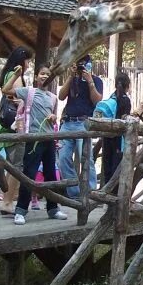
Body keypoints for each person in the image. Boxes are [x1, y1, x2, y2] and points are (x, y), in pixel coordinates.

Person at [2, 63, 68, 225]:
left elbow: (54, 117)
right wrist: (16, 75)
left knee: (51, 174)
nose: (45, 76)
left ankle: (53, 209)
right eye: (42, 74)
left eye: (48, 74)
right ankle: (21, 211)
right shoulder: (29, 92)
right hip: (33, 140)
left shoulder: (52, 97)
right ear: (36, 77)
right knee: (29, 174)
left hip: (49, 140)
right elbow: (6, 90)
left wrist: (53, 117)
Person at [57, 54, 103, 199]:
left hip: (84, 124)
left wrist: (90, 82)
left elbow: (97, 101)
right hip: (68, 122)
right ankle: (74, 193)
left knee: (86, 158)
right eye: (79, 65)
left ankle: (90, 193)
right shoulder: (72, 80)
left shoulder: (96, 80)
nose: (81, 68)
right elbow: (61, 96)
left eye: (84, 64)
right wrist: (70, 77)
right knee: (63, 157)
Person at [0, 47, 32, 214]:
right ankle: (8, 202)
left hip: (4, 125)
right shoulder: (15, 76)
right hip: (14, 126)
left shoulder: (8, 74)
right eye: (28, 60)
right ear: (22, 61)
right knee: (16, 165)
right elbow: (17, 98)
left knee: (12, 164)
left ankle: (8, 199)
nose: (29, 63)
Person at [101, 72, 133, 185]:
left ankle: (105, 192)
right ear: (127, 85)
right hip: (119, 139)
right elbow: (125, 119)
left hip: (107, 136)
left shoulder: (111, 97)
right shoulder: (126, 100)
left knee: (107, 166)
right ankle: (113, 194)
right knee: (116, 166)